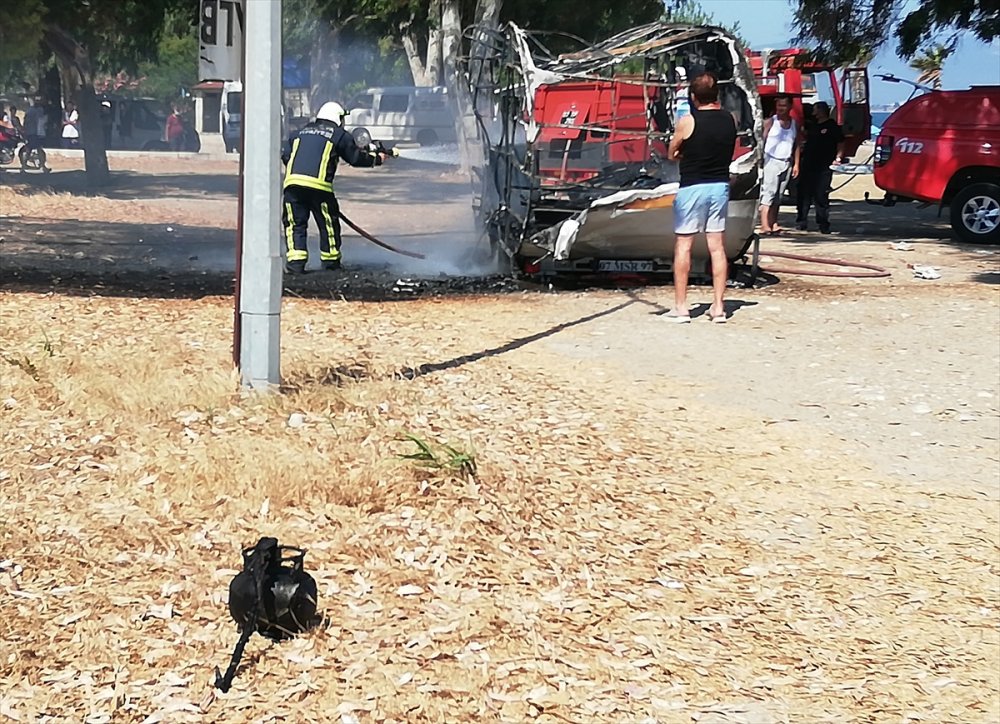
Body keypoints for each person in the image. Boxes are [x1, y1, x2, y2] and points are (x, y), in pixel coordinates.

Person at [280, 101, 389, 274]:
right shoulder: (338, 135)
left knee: (295, 224)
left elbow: (286, 156)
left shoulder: (298, 133)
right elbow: (355, 159)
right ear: (338, 118)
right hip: (319, 188)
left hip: (293, 186)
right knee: (328, 224)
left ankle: (295, 265)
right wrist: (377, 159)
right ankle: (331, 265)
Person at [666, 72, 737, 324]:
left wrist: (681, 154)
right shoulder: (731, 119)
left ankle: (681, 307)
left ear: (693, 97)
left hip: (692, 186)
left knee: (684, 245)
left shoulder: (687, 121)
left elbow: (672, 151)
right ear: (717, 94)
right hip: (719, 185)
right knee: (717, 247)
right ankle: (718, 307)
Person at [796, 101, 845, 233]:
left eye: (815, 109)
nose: (813, 112)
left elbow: (840, 143)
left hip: (824, 166)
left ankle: (823, 223)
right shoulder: (812, 126)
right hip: (807, 164)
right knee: (804, 194)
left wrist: (838, 158)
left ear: (821, 111)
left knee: (821, 195)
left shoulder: (832, 126)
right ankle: (802, 220)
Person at [758, 96, 799, 235]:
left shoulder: (794, 123)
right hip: (771, 160)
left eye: (784, 106)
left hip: (786, 161)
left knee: (778, 196)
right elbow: (761, 141)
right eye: (779, 106)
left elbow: (797, 144)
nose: (781, 109)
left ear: (790, 107)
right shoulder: (770, 122)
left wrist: (796, 163)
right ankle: (764, 225)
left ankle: (773, 222)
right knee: (768, 194)